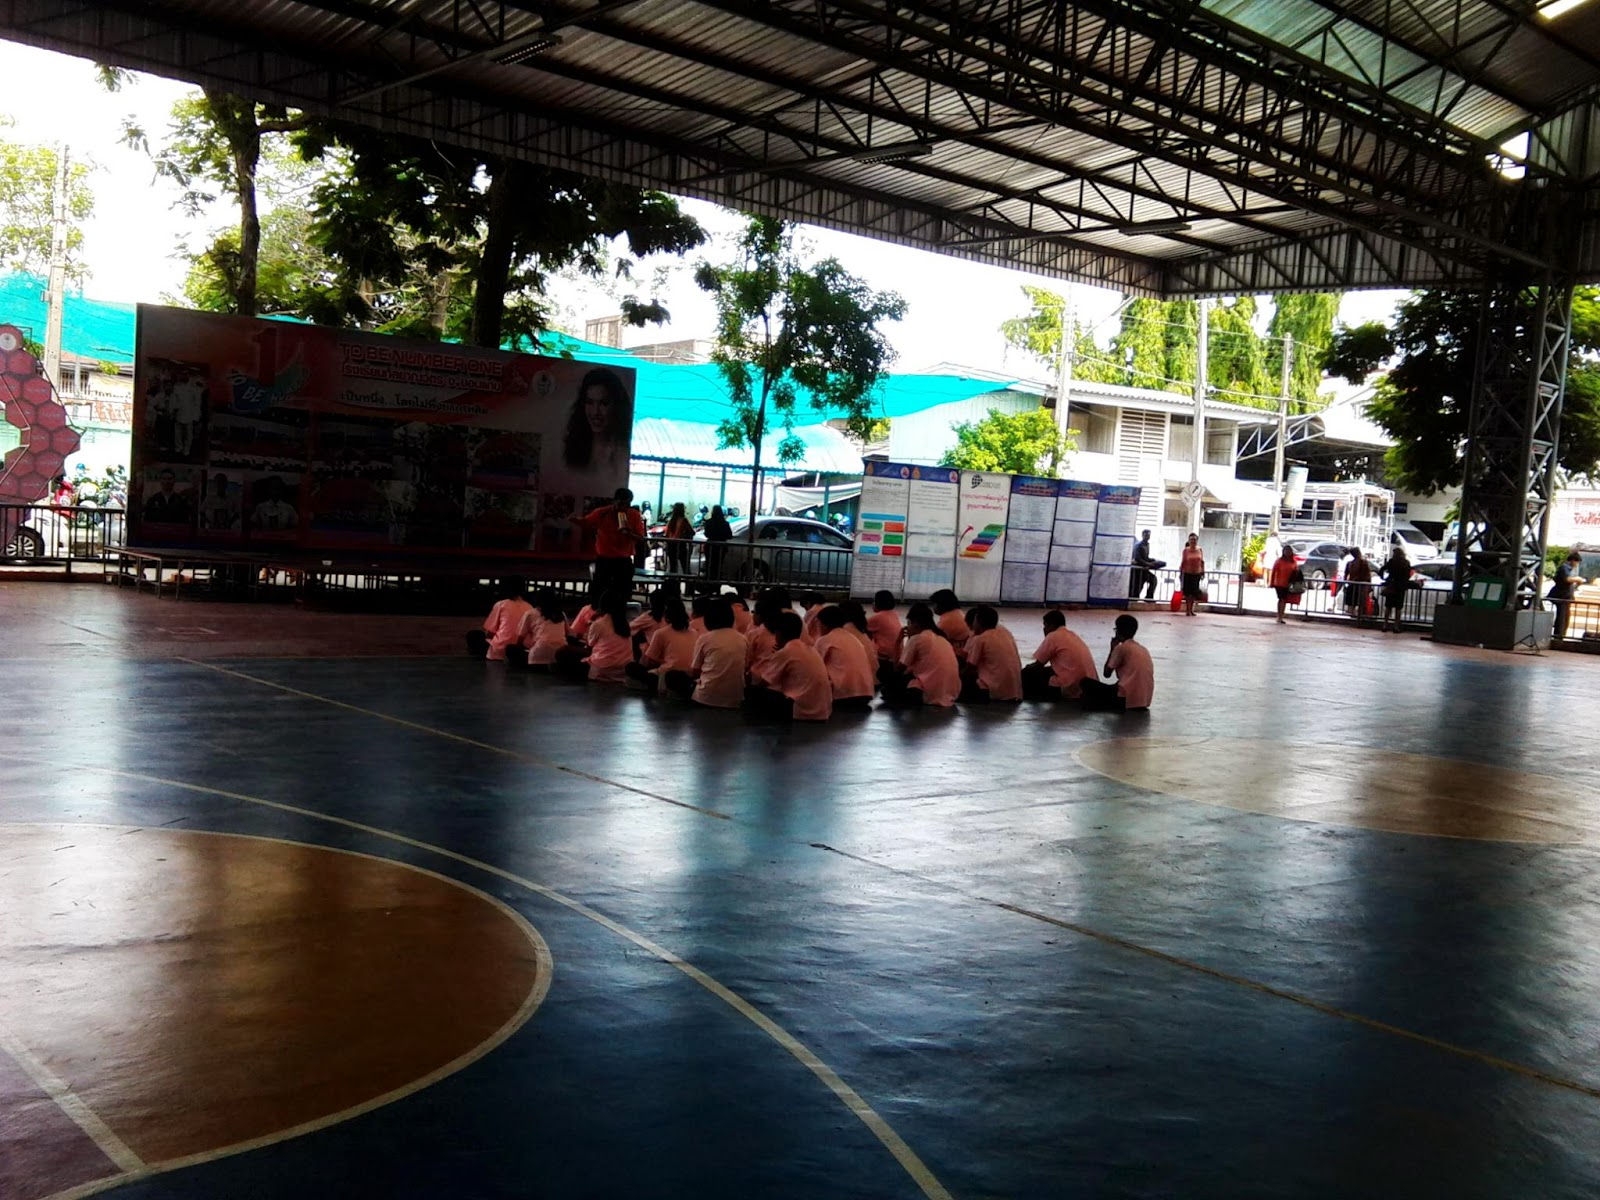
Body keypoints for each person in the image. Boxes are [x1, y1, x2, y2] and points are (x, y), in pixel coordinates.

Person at [747, 612, 833, 721]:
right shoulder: (809, 648)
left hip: (802, 710)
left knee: (754, 694)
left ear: (778, 633)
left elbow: (765, 681)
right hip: (822, 710)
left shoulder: (787, 651)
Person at [571, 487, 645, 603]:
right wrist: (575, 520)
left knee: (623, 592)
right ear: (614, 501)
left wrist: (628, 533)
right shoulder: (602, 512)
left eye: (626, 504)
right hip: (604, 559)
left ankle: (619, 609)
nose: (623, 507)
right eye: (620, 503)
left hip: (623, 560)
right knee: (599, 591)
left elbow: (640, 538)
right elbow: (587, 522)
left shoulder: (634, 515)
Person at [881, 602, 961, 709]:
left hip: (927, 691)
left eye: (909, 623)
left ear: (916, 624)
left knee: (884, 671)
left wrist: (898, 641)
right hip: (950, 692)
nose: (907, 627)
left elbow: (898, 668)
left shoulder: (917, 639)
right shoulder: (941, 638)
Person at [671, 596, 747, 708]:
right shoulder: (742, 638)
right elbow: (745, 665)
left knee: (673, 676)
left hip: (706, 697)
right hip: (735, 698)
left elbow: (695, 671)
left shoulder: (705, 638)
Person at [563, 368, 632, 475]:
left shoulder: (623, 452)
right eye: (589, 402)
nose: (595, 412)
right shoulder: (574, 447)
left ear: (617, 406)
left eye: (603, 403)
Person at [1080, 615, 1153, 712]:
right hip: (1144, 701)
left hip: (1125, 700)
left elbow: (1106, 674)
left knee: (1085, 682)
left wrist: (1112, 649)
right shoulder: (1143, 649)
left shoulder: (1121, 648)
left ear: (1118, 631)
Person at [556, 590, 632, 682]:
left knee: (563, 652)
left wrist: (591, 623)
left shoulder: (599, 623)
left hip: (602, 668)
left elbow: (589, 645)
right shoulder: (625, 624)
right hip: (623, 669)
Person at [626, 596, 696, 695]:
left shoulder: (661, 632)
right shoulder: (694, 632)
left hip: (667, 673)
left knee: (631, 668)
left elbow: (648, 661)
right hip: (690, 673)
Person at [1022, 609, 1097, 700]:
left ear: (1052, 625)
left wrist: (1024, 670)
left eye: (1045, 625)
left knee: (1028, 673)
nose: (1044, 629)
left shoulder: (1053, 636)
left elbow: (1038, 665)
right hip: (1089, 684)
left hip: (1070, 686)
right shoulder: (1073, 636)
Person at [814, 606, 876, 711]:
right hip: (866, 694)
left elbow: (813, 667)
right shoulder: (852, 637)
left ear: (823, 624)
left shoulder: (825, 640)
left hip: (843, 696)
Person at [960, 606, 1023, 703]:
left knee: (962, 683)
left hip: (992, 691)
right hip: (1015, 691)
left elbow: (970, 666)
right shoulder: (1005, 633)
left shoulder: (981, 638)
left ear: (979, 622)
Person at [468, 578, 533, 662]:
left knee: (473, 635)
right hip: (521, 650)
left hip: (500, 650)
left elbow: (490, 633)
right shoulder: (529, 607)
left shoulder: (501, 604)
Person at [522, 591, 568, 671]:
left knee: (511, 649)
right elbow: (568, 633)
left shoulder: (531, 613)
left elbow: (520, 637)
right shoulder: (561, 614)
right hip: (560, 654)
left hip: (537, 655)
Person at [1549, 551, 1585, 640]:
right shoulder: (1565, 567)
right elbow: (1567, 579)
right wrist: (1577, 579)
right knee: (1562, 618)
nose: (1577, 564)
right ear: (1573, 560)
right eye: (1577, 562)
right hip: (1562, 596)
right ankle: (1558, 636)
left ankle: (1561, 635)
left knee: (1564, 618)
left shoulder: (1568, 569)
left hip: (1566, 596)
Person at [1379, 546, 1412, 633]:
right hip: (1400, 587)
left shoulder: (1391, 562)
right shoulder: (1406, 563)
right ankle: (1396, 626)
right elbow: (1408, 575)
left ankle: (1385, 625)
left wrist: (1384, 578)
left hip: (1391, 586)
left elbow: (1381, 569)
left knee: (1388, 607)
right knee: (1398, 608)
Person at [1269, 543, 1301, 625]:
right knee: (1282, 599)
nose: (1287, 553)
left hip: (1288, 584)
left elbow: (1296, 571)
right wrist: (1271, 582)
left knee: (1284, 600)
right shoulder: (1279, 561)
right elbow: (1274, 572)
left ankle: (1280, 616)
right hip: (1279, 583)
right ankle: (1279, 617)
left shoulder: (1294, 562)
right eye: (1286, 551)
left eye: (1289, 551)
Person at [867, 591, 903, 664]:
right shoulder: (894, 614)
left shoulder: (877, 618)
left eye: (874, 601)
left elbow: (860, 629)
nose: (872, 603)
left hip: (884, 658)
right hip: (897, 655)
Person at [1129, 529, 1164, 600]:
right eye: (1146, 535)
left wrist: (1153, 560)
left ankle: (1149, 597)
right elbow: (1138, 559)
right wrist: (1149, 564)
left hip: (1144, 569)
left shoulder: (1147, 545)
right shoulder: (1138, 545)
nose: (1147, 537)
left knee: (1153, 580)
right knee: (1138, 587)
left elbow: (1145, 557)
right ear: (1142, 535)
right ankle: (1137, 598)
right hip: (1138, 571)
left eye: (1148, 535)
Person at [1341, 546, 1373, 623]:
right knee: (1361, 603)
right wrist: (1369, 585)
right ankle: (1359, 619)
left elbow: (1345, 575)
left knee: (1352, 603)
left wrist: (1346, 583)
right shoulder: (1364, 563)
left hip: (1352, 585)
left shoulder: (1350, 563)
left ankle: (1353, 618)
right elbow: (1368, 576)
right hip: (1361, 586)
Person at [702, 504, 733, 579]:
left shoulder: (709, 522)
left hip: (710, 546)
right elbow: (729, 535)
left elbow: (706, 534)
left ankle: (709, 580)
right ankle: (717, 581)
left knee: (709, 565)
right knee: (718, 566)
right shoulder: (725, 523)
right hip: (721, 547)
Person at [663, 502, 695, 575]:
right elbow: (692, 532)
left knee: (673, 567)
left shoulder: (671, 521)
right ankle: (687, 581)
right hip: (681, 546)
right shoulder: (684, 521)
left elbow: (667, 534)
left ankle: (673, 581)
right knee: (685, 567)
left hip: (671, 546)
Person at [1179, 532, 1205, 616]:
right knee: (1187, 593)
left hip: (1197, 573)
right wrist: (1181, 573)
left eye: (1194, 539)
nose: (1193, 541)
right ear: (1189, 541)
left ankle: (1191, 609)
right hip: (1187, 573)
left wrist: (1203, 571)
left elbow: (1202, 561)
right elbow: (1183, 561)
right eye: (1191, 540)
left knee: (1194, 593)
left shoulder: (1200, 549)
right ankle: (1187, 610)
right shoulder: (1186, 550)